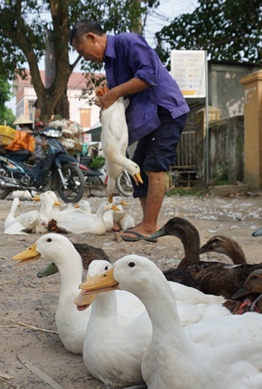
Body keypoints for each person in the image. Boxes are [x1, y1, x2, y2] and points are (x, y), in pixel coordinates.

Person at [70, 19, 189, 241]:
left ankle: (151, 226)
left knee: (154, 166)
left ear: (91, 38)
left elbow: (148, 75)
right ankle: (146, 222)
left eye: (82, 51)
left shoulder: (127, 42)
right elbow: (124, 95)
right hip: (148, 118)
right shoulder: (110, 65)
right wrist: (108, 98)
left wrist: (113, 94)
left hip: (166, 110)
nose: (84, 58)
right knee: (139, 169)